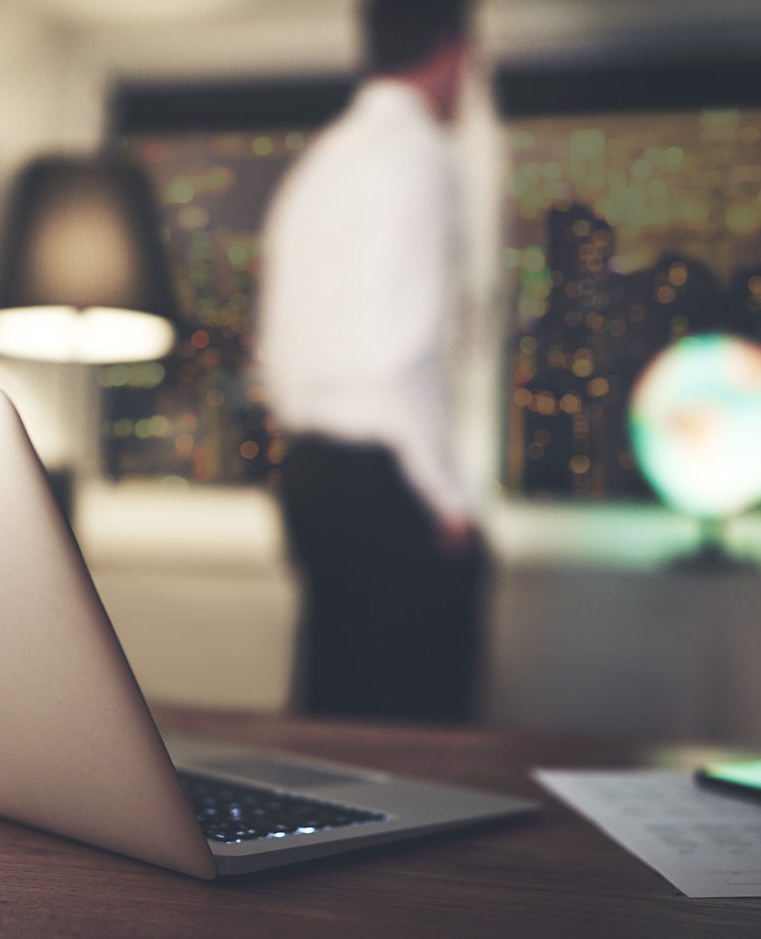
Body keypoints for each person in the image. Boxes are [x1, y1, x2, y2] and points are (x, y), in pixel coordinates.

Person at [260, 0, 485, 722]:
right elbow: (402, 350)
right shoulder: (414, 155)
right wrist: (448, 501)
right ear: (455, 52)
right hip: (382, 483)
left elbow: (282, 346)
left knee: (336, 722)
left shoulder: (324, 160)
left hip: (309, 473)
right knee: (420, 739)